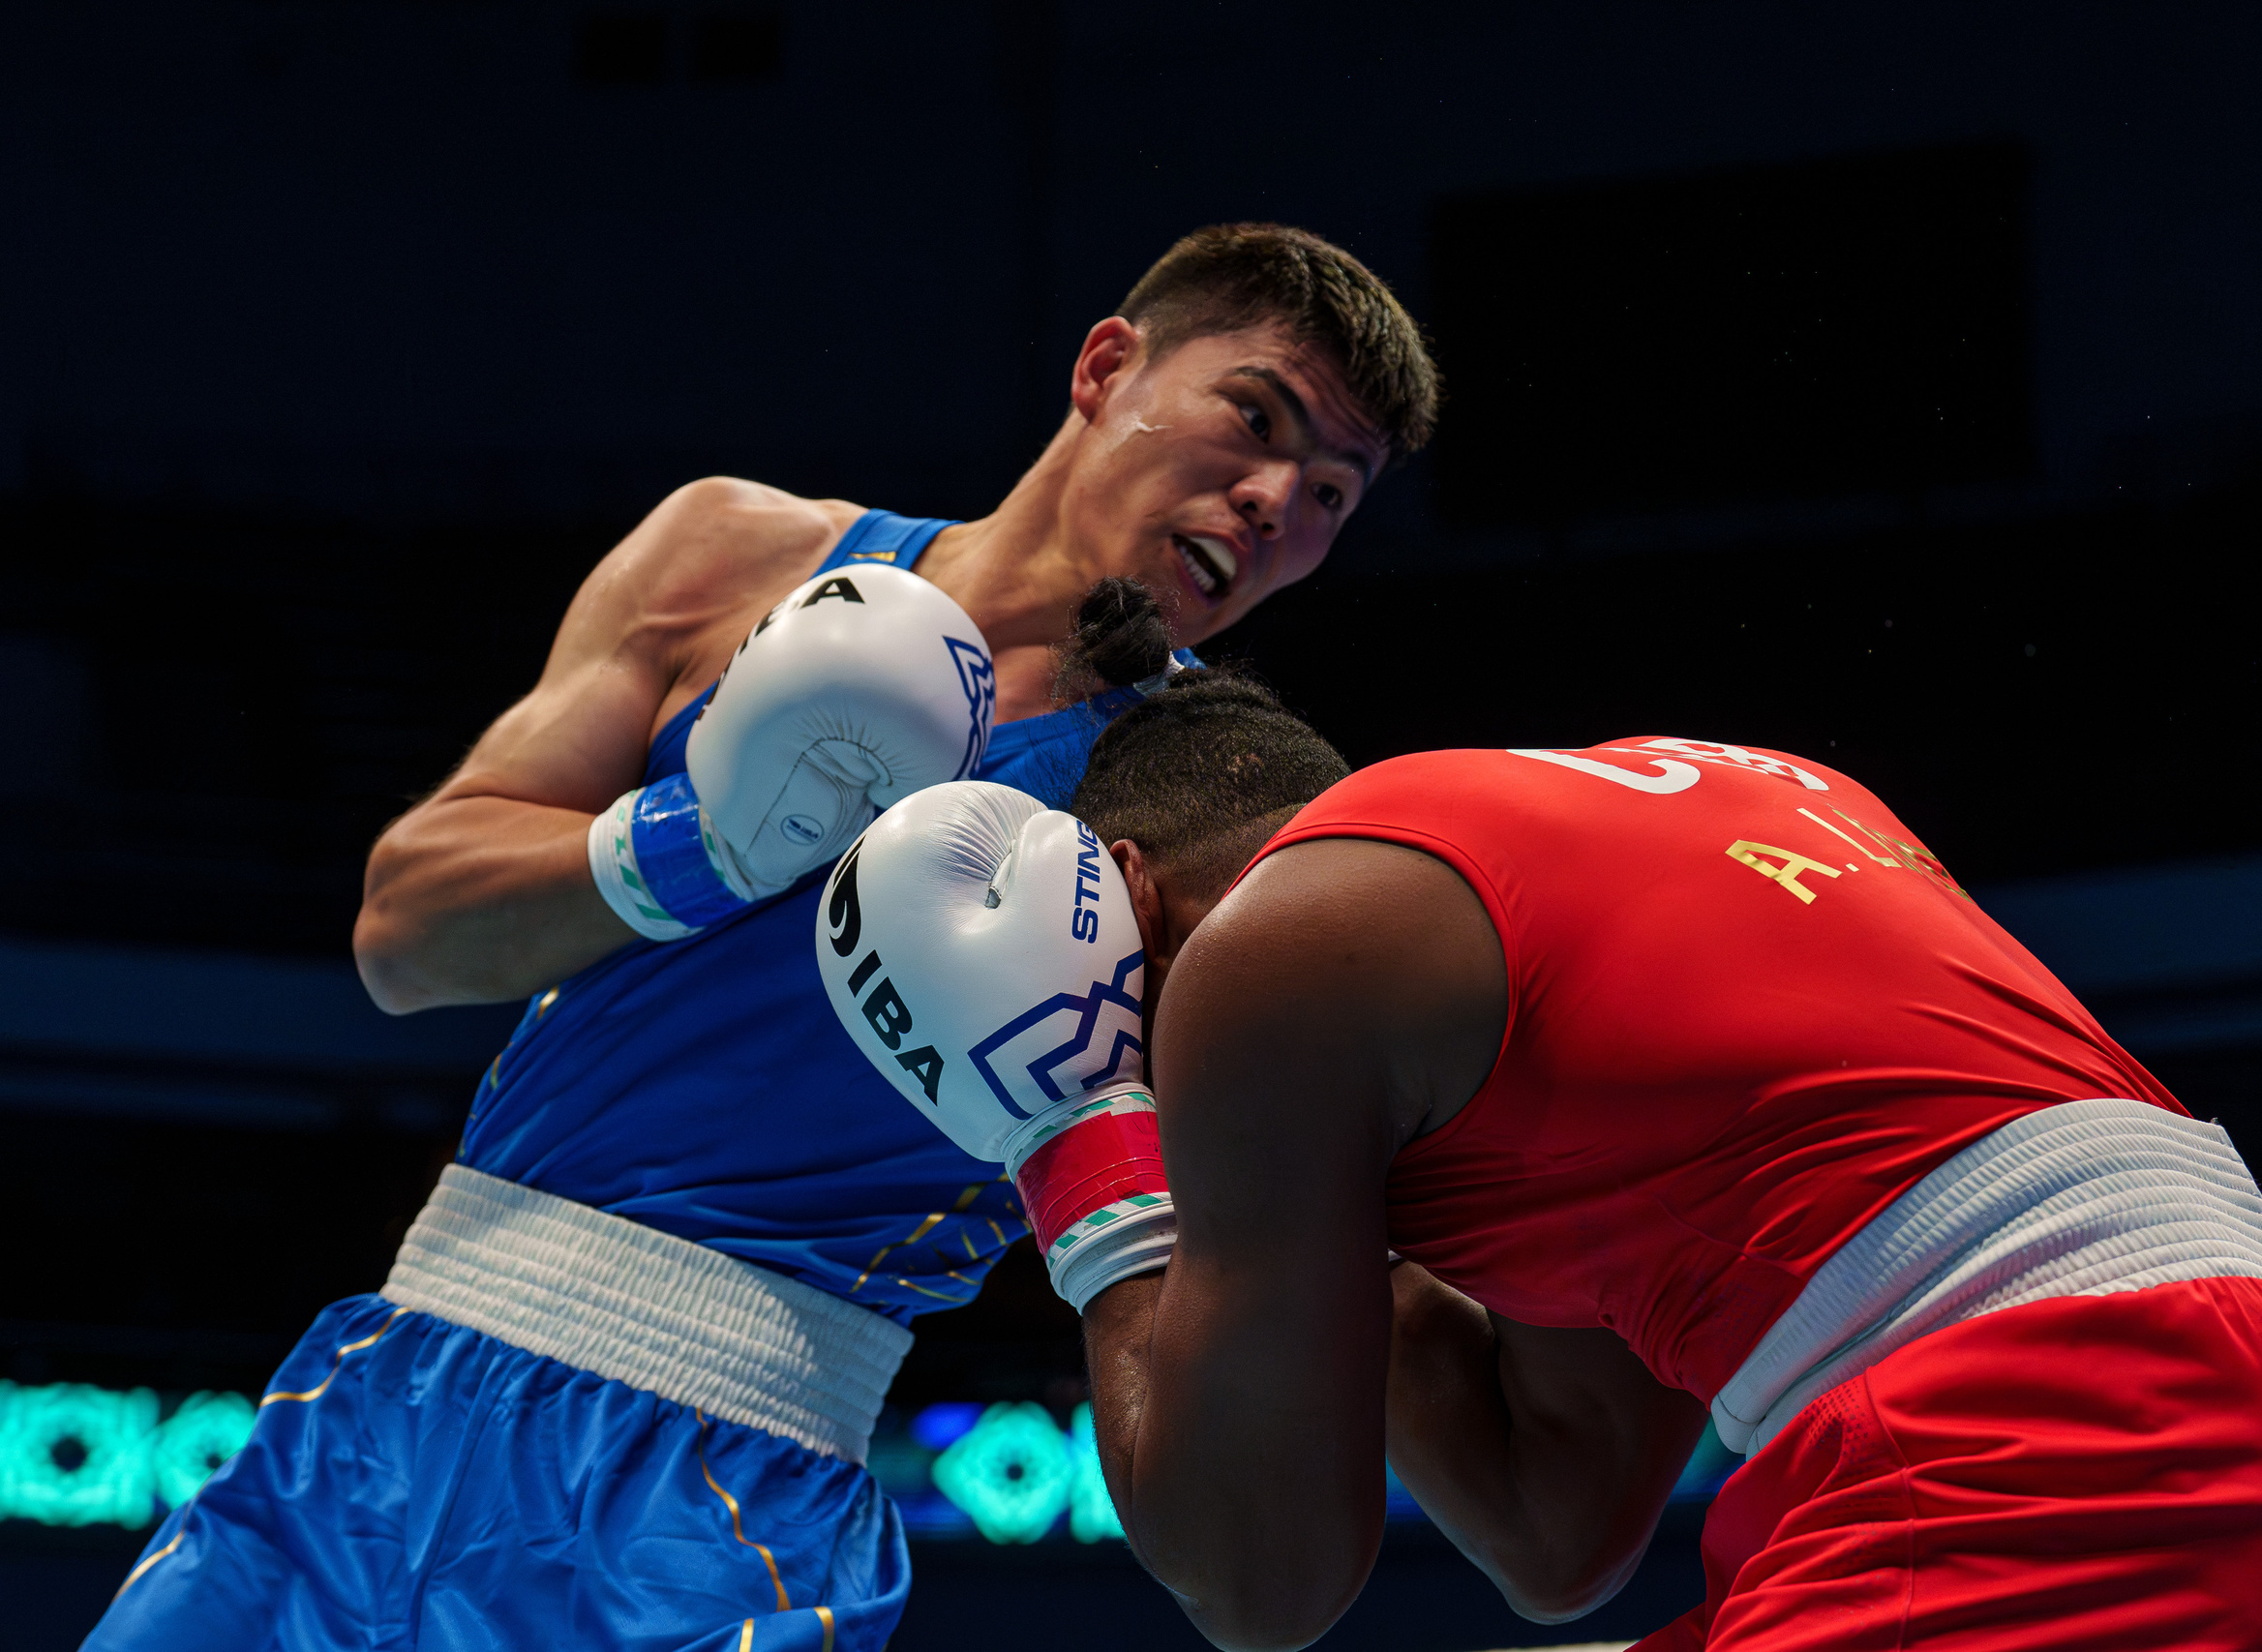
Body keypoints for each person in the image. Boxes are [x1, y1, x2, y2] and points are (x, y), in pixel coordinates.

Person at [85, 225, 1438, 1652]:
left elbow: (1270, 1218)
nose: (1276, 497)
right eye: (1257, 417)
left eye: (1332, 494)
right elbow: (404, 937)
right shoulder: (735, 559)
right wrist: (707, 839)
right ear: (1108, 367)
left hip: (721, 1499)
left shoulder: (1210, 808)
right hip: (377, 1406)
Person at [837, 601, 2262, 1652]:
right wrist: (1338, 1221)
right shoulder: (1612, 844)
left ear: (1121, 893)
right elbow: (1554, 1519)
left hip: (2046, 1455)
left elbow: (1261, 1581)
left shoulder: (1270, 958)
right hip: (2234, 1425)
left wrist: (1073, 1124)